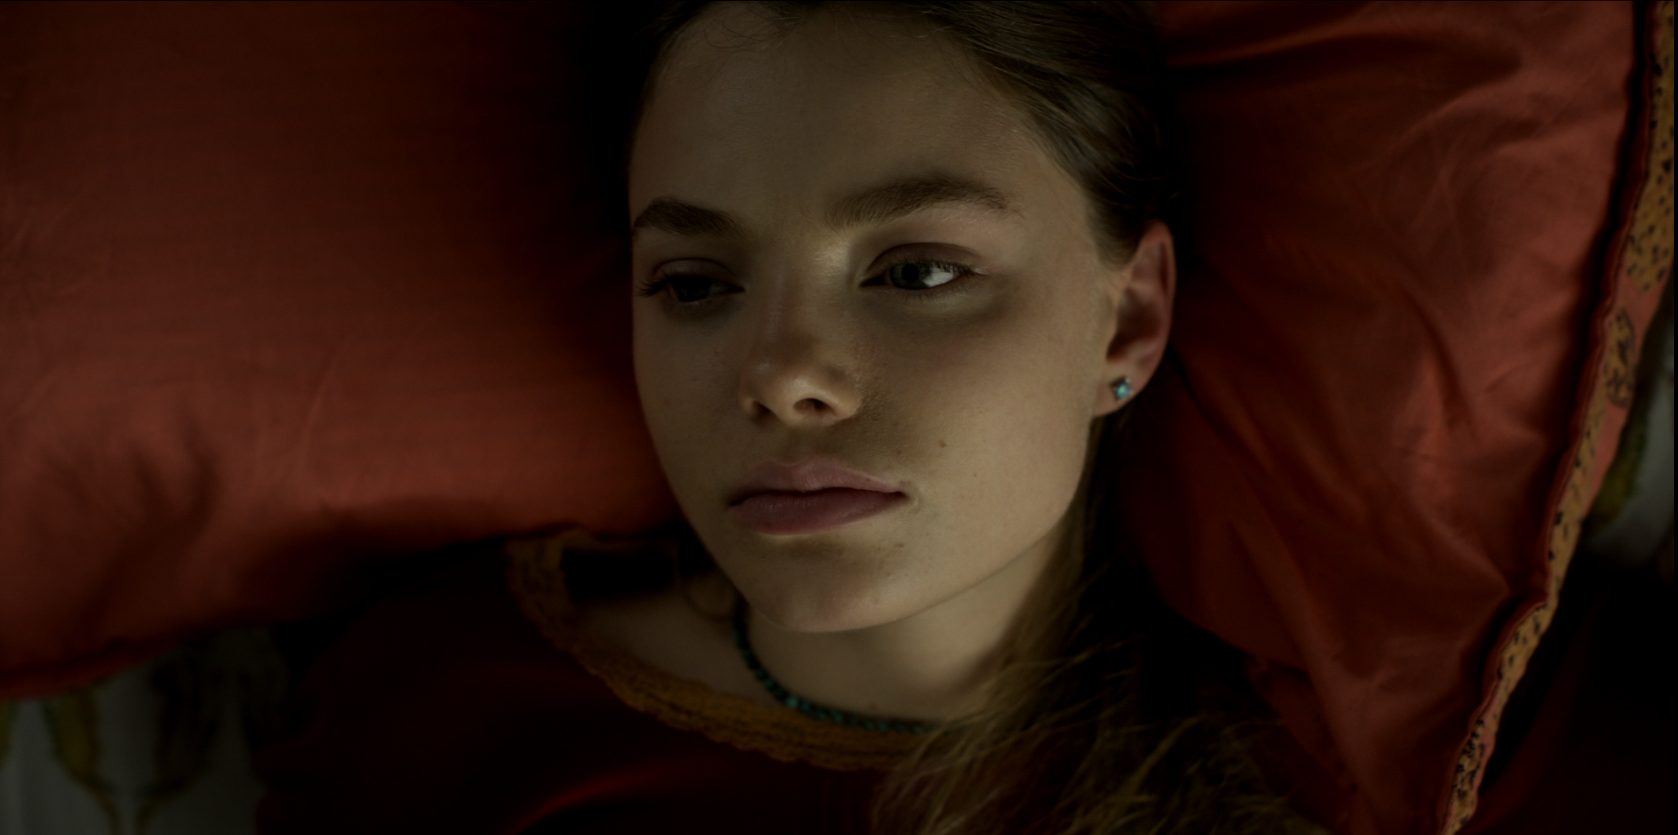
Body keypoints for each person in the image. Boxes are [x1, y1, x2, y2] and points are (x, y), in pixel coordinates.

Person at [257, 3, 1320, 833]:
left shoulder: (1307, 772)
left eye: (916, 271)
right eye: (693, 284)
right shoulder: (441, 716)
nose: (780, 377)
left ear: (1126, 321)